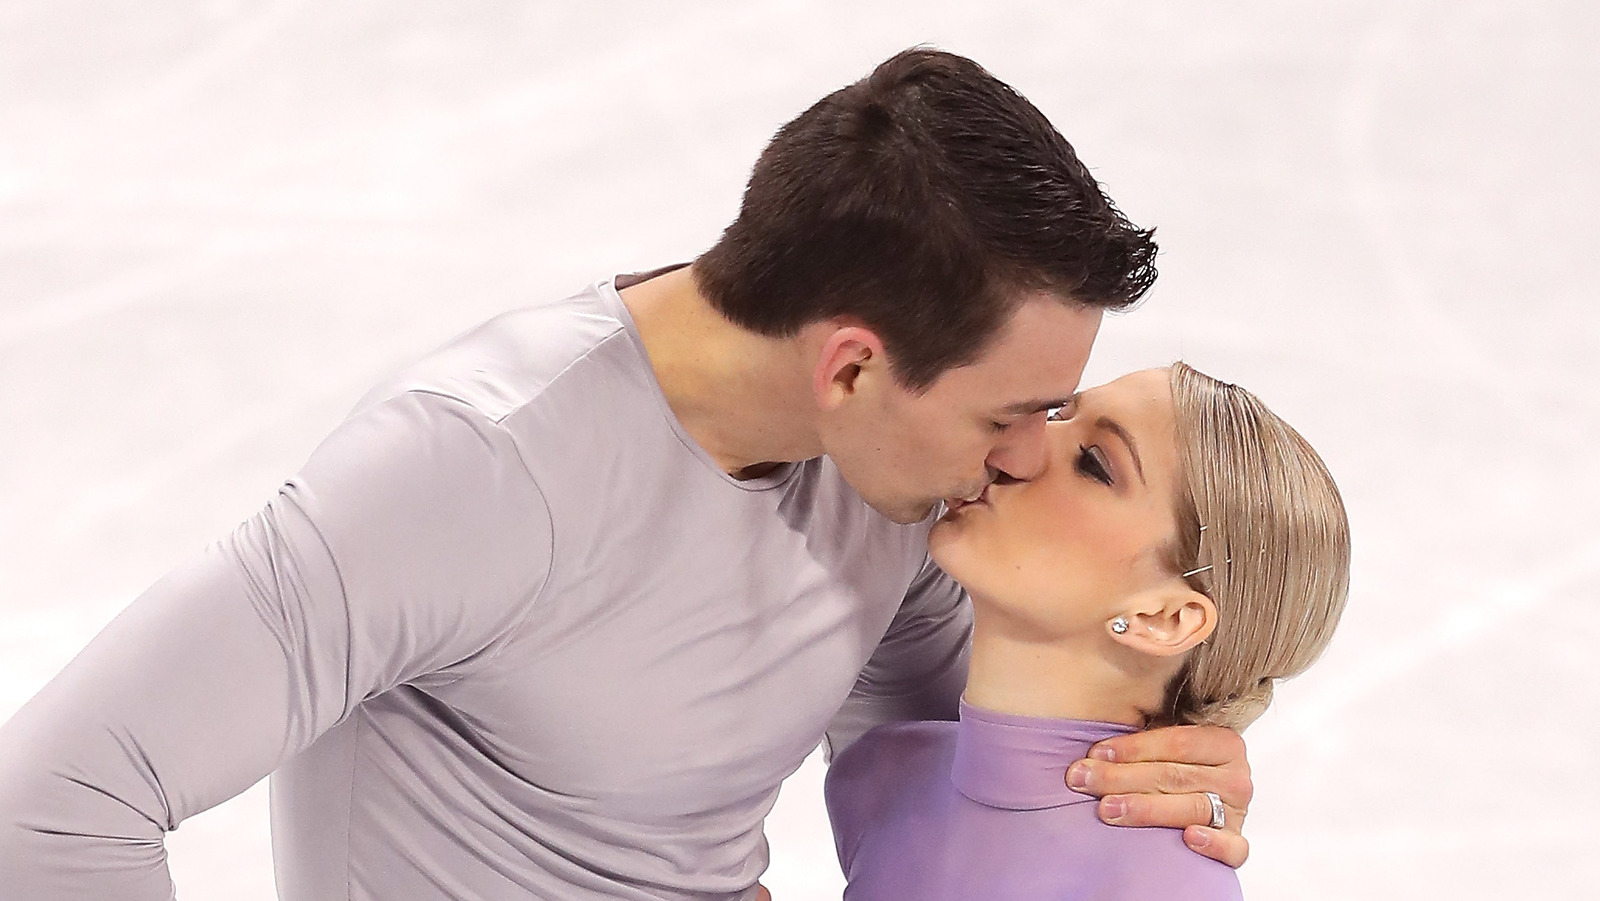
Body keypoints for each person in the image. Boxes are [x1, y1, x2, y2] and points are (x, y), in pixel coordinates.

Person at [0, 50, 1254, 900]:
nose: (1027, 455)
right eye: (1010, 412)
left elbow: (940, 752)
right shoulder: (477, 468)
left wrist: (1152, 764)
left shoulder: (901, 490)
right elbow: (56, 797)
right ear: (853, 366)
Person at [825, 363, 1351, 899]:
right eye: (1057, 412)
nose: (1021, 447)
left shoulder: (1169, 888)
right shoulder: (880, 778)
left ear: (1162, 618)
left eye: (1094, 464)